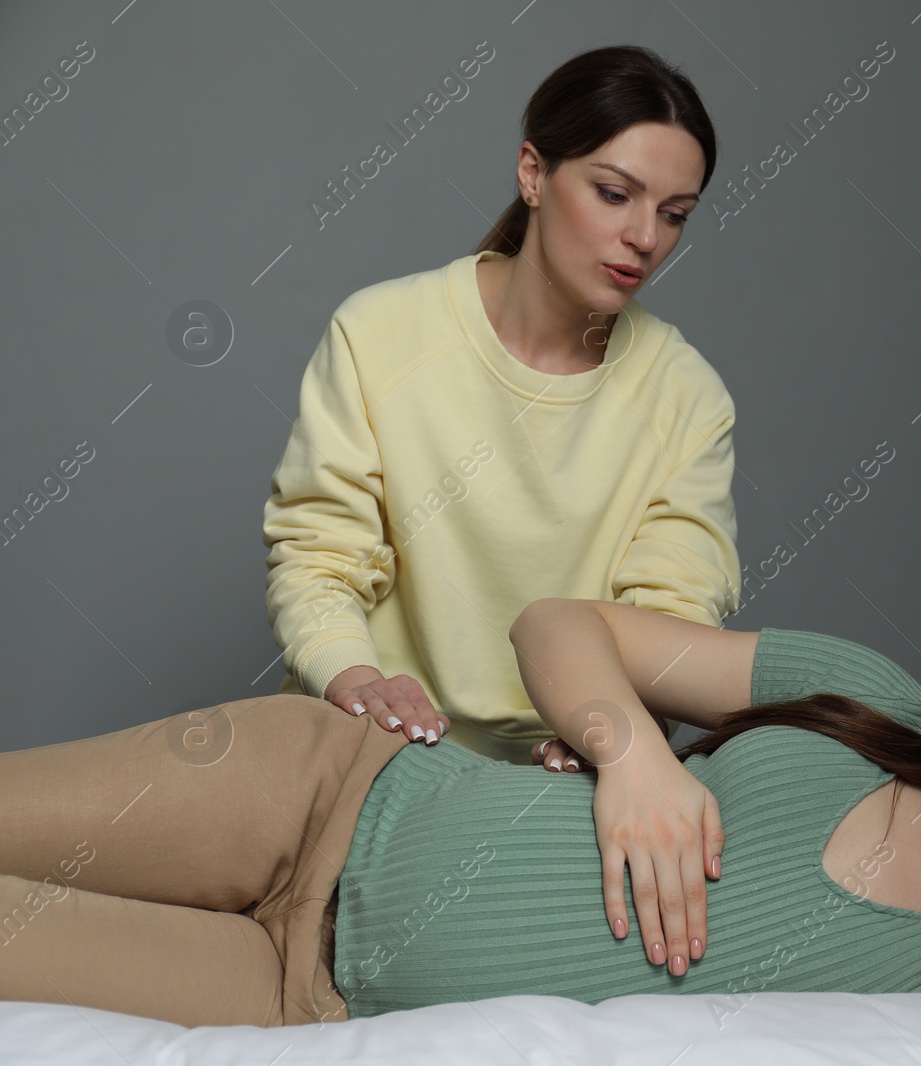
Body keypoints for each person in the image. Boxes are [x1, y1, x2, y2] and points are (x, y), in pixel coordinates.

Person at [0, 600, 921, 1027]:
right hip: (323, 785)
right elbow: (559, 621)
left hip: (296, 995)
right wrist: (636, 758)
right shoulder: (878, 703)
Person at [262, 44, 738, 766]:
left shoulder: (686, 397)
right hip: (362, 748)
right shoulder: (380, 334)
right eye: (614, 193)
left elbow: (672, 624)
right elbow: (318, 557)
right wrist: (359, 683)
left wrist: (613, 729)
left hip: (555, 784)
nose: (645, 238)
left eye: (674, 214)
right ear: (533, 174)